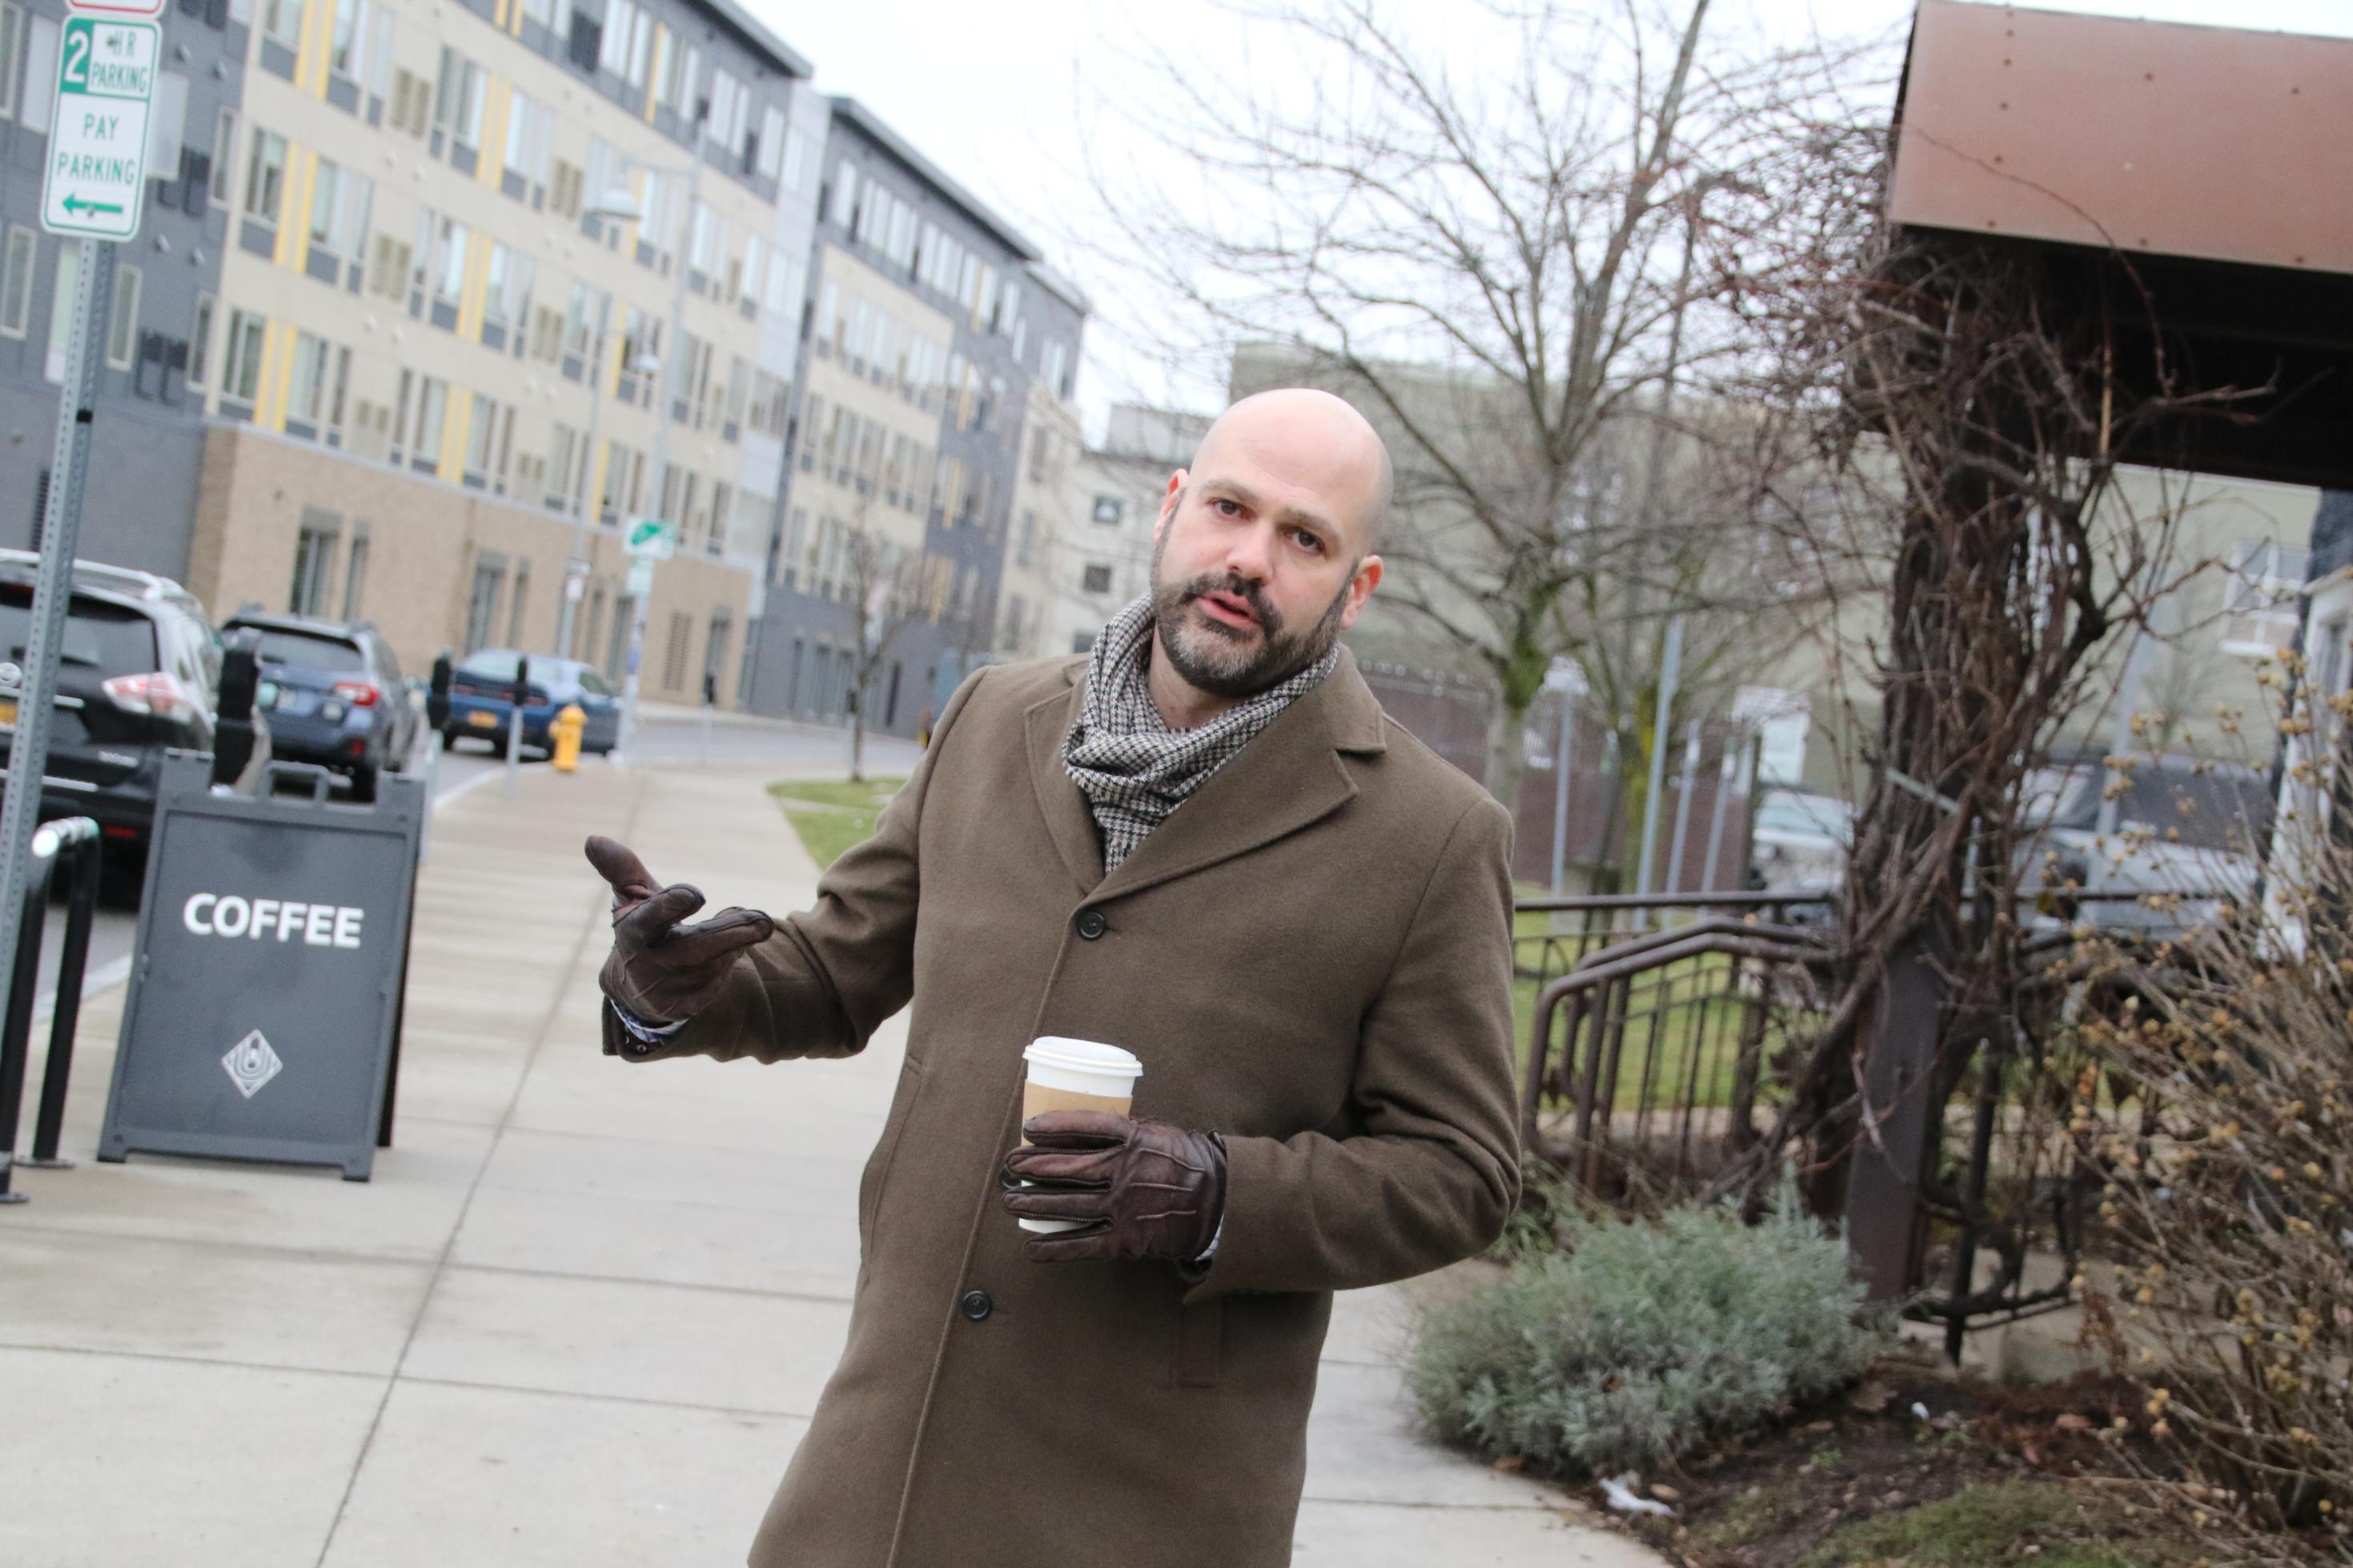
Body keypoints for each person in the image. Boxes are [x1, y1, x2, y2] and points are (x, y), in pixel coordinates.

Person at [584, 387, 1521, 1568]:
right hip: (884, 1466)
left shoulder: (1431, 837)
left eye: (1304, 538)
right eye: (1230, 508)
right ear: (1172, 508)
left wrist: (1221, 1194)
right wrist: (677, 990)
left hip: (1150, 1506)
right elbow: (834, 967)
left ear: (1356, 586)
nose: (1249, 559)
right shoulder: (993, 719)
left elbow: (1464, 1170)